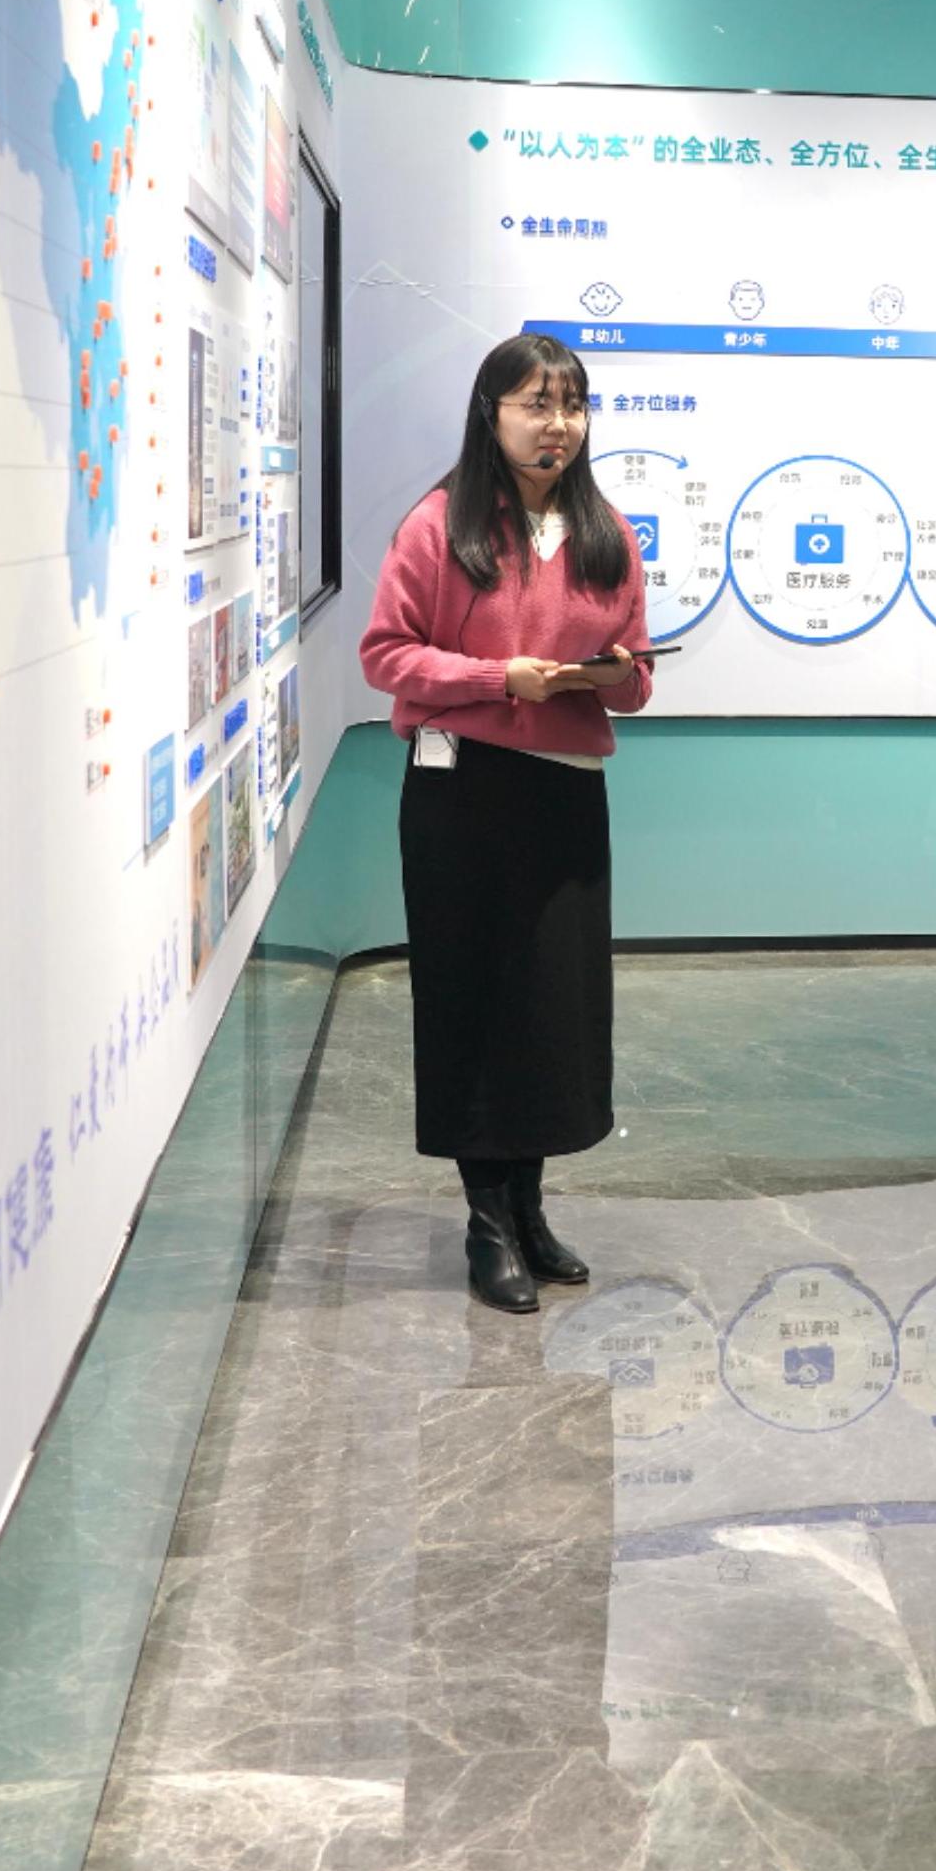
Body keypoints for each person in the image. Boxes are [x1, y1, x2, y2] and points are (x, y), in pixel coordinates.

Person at [359, 332, 652, 1314]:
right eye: (536, 404)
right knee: (473, 999)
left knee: (551, 1009)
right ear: (492, 415)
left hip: (564, 792)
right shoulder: (438, 526)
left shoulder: (606, 533)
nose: (556, 424)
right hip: (461, 793)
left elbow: (637, 681)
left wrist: (617, 675)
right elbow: (386, 655)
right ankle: (485, 1223)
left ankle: (529, 1210)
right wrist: (498, 678)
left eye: (572, 405)